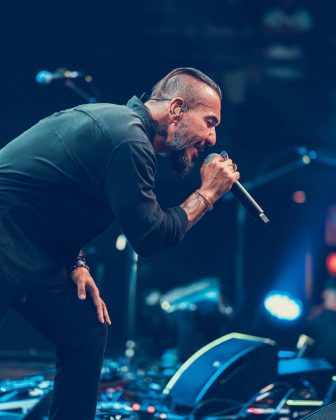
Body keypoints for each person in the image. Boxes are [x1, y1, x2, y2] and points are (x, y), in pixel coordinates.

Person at [0, 67, 240, 419]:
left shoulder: (119, 129)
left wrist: (75, 261)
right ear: (176, 109)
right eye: (209, 121)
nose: (213, 138)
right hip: (9, 242)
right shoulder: (126, 136)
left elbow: (55, 197)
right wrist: (207, 194)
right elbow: (151, 236)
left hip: (31, 245)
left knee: (85, 327)